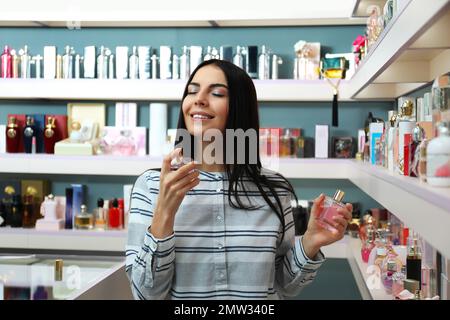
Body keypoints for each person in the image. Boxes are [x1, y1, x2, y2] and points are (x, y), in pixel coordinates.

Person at [126, 59, 352, 300]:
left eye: (216, 93)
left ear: (240, 107)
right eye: (192, 91)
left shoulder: (274, 188)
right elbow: (145, 294)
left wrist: (309, 242)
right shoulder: (152, 186)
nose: (199, 99)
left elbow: (284, 286)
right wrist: (164, 212)